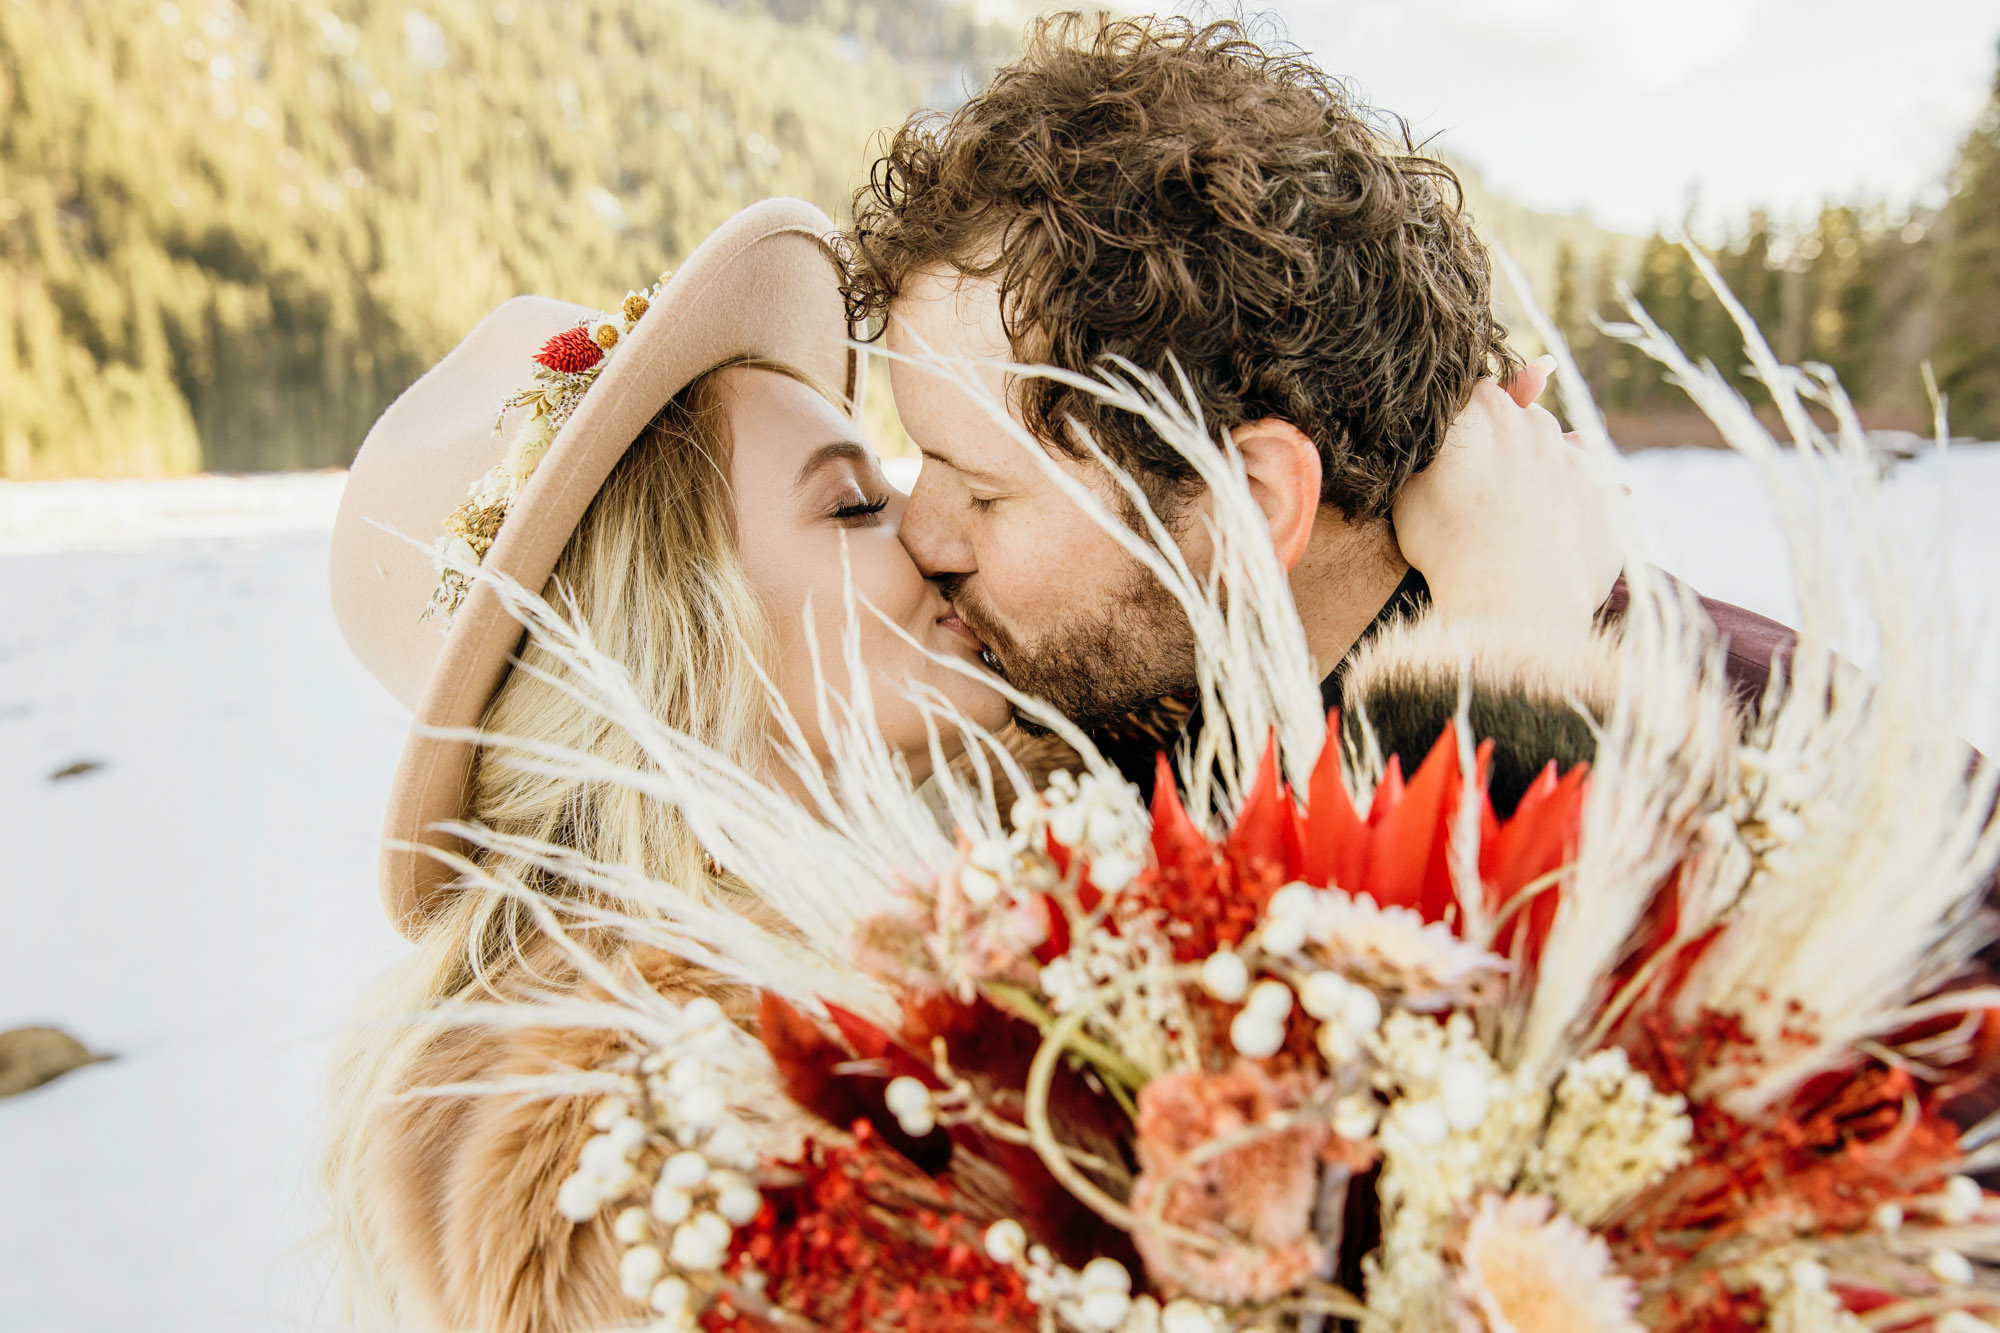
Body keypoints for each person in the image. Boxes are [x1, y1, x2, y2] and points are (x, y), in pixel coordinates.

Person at [318, 197, 1615, 1330]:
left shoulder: (960, 892)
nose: (933, 535)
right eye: (851, 501)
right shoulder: (626, 1153)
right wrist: (1509, 623)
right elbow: (1376, 1253)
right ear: (677, 642)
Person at [844, 13, 1797, 800]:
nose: (920, 535)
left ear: (1250, 499)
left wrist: (1511, 658)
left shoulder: (1771, 797)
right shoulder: (1162, 728)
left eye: (979, 491)